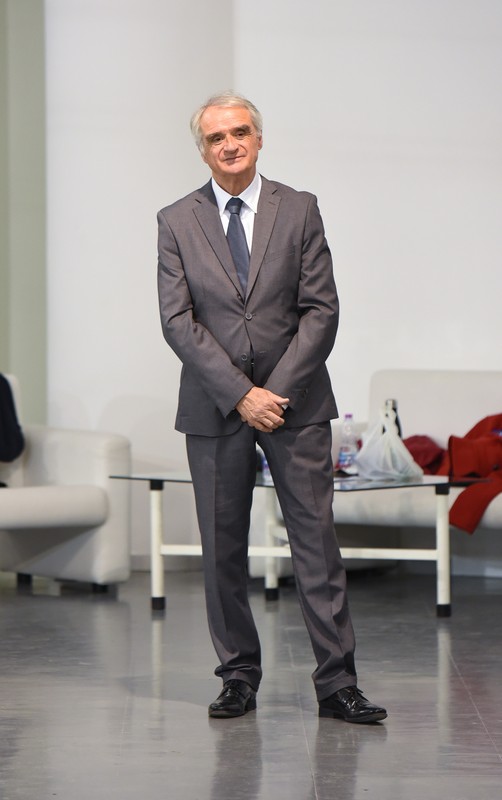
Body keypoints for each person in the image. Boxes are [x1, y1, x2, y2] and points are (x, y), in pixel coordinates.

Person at [157, 91, 387, 724]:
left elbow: (321, 309)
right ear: (202, 150)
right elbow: (177, 321)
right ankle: (237, 677)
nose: (229, 144)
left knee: (316, 545)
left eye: (239, 132)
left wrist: (272, 394)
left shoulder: (300, 208)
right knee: (221, 548)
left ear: (259, 139)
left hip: (296, 403)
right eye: (216, 138)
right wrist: (241, 394)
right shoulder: (175, 220)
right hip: (215, 406)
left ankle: (337, 684)